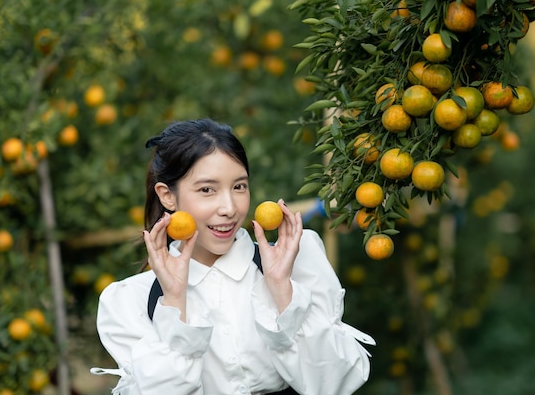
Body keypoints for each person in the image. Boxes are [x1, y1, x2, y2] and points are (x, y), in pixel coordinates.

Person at [91, 118, 375, 395]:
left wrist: (282, 292)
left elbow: (336, 383)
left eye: (239, 186)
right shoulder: (132, 300)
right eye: (207, 190)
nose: (229, 207)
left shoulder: (293, 262)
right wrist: (175, 301)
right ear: (167, 196)